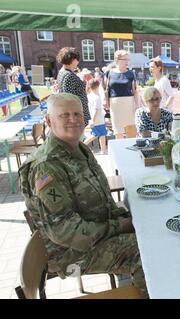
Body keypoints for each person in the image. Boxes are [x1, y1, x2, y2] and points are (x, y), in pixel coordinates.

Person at [18, 93, 148, 296]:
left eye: (77, 114)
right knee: (148, 253)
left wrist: (125, 220)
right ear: (49, 121)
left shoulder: (79, 149)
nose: (73, 120)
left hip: (94, 236)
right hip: (71, 254)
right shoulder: (47, 167)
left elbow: (103, 201)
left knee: (153, 234)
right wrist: (120, 225)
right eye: (65, 115)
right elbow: (66, 232)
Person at [104, 50, 140, 139]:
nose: (127, 62)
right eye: (125, 59)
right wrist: (105, 101)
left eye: (128, 59)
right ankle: (120, 151)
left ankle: (132, 150)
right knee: (118, 131)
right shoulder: (109, 73)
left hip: (129, 104)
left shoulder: (131, 73)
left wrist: (137, 105)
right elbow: (106, 89)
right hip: (115, 106)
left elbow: (135, 91)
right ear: (117, 60)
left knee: (131, 130)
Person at [56, 47, 90, 126]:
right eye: (77, 59)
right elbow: (69, 98)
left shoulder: (63, 72)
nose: (78, 62)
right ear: (72, 60)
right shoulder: (68, 75)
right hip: (75, 115)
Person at [83, 79, 107, 154]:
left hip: (94, 118)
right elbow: (96, 110)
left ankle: (103, 150)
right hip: (98, 119)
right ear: (98, 86)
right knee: (97, 134)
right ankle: (82, 145)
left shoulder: (89, 96)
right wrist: (93, 120)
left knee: (101, 134)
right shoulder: (97, 97)